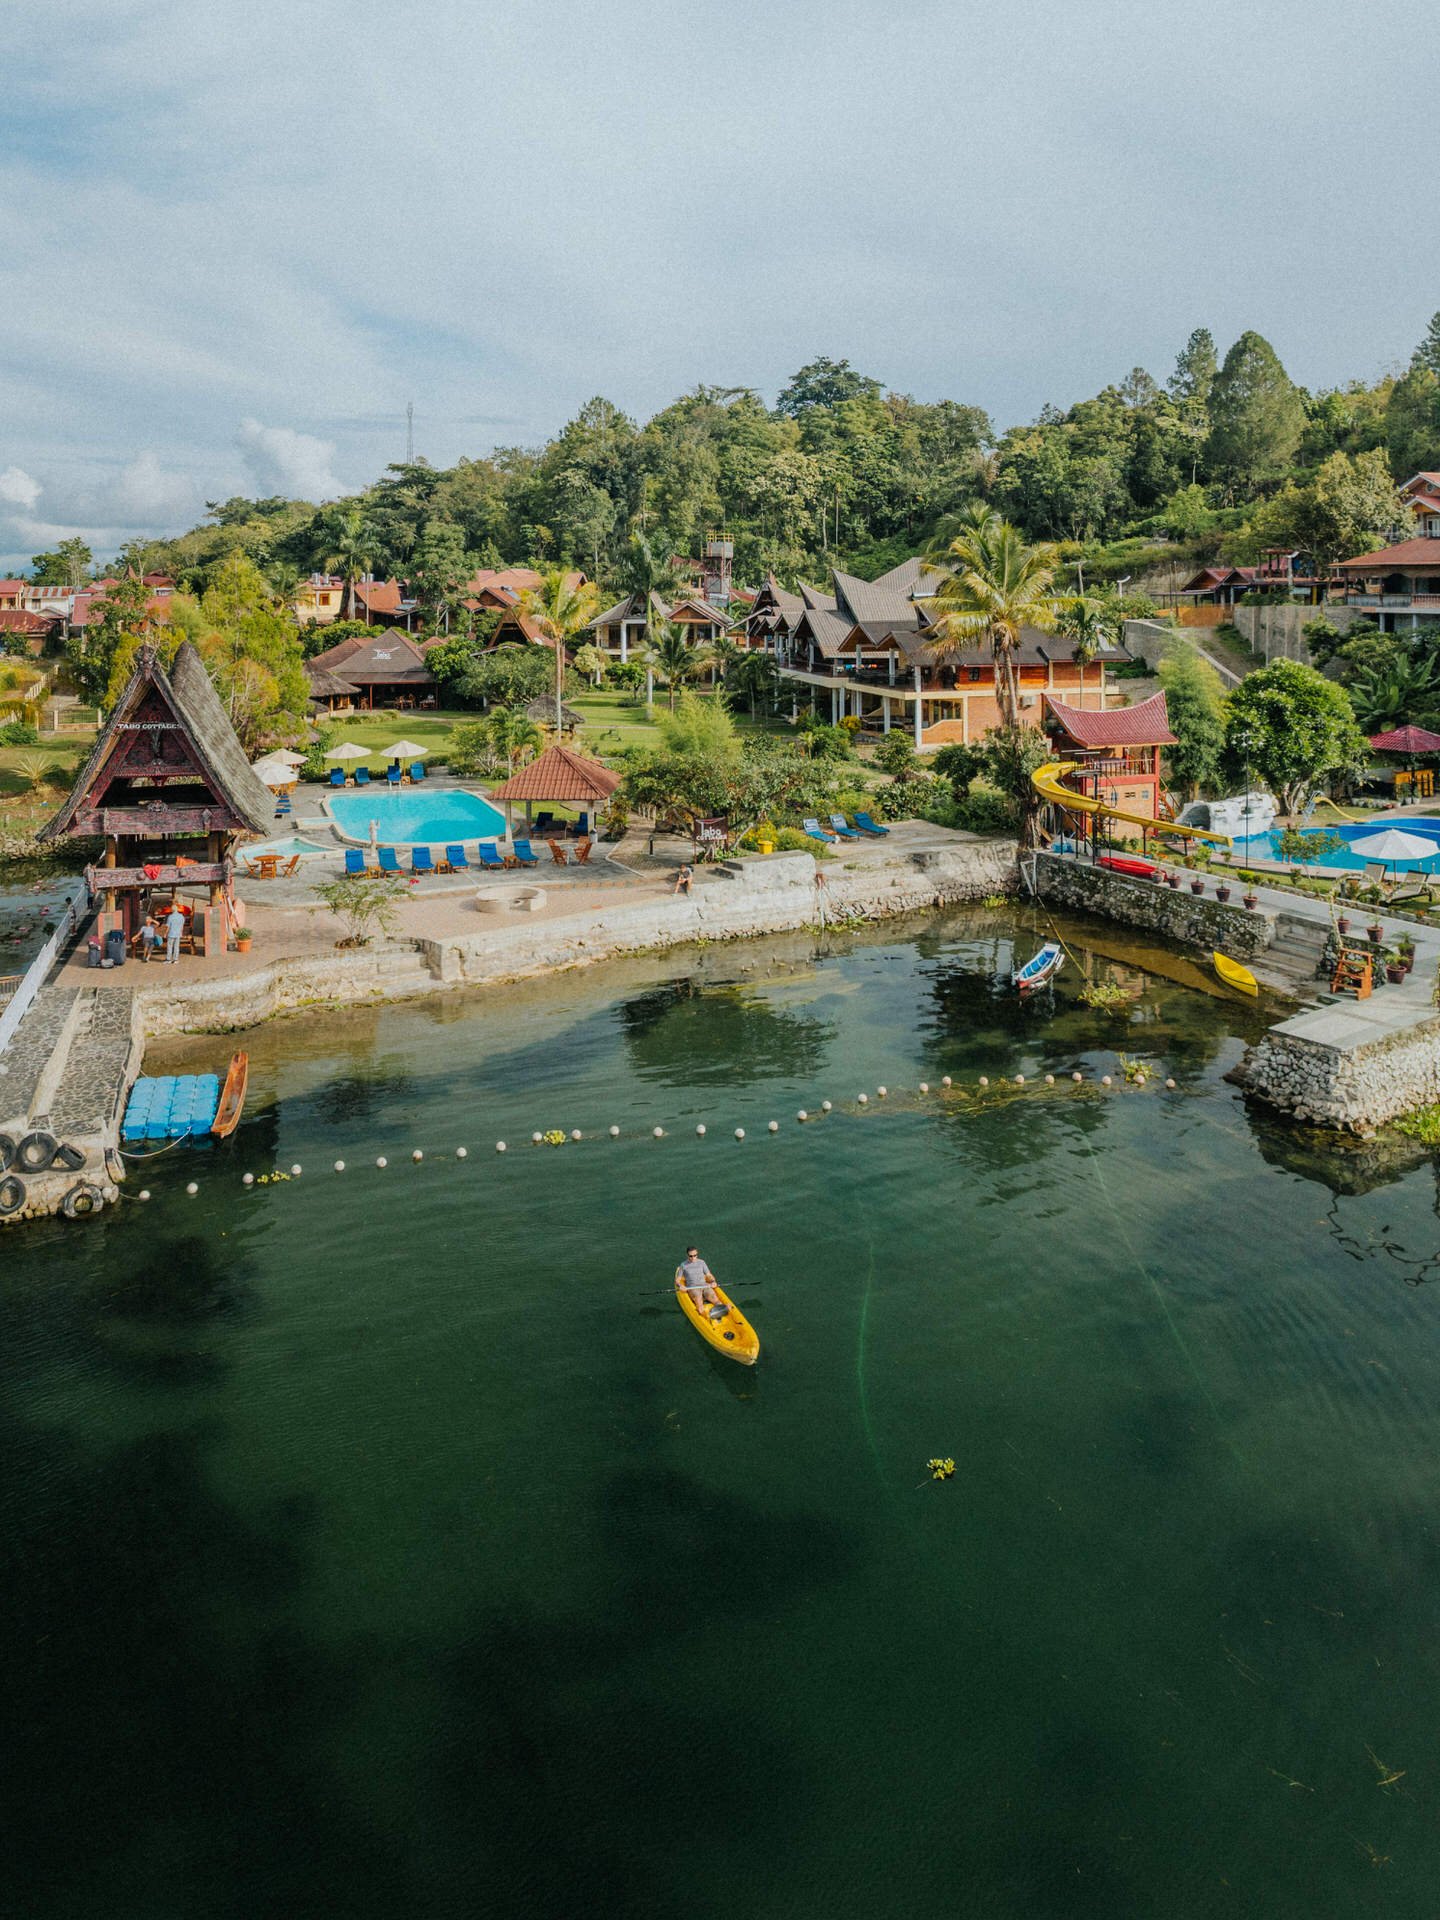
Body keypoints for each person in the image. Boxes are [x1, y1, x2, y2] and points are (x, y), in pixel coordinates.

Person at [677, 1246, 726, 1321]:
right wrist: (680, 1285)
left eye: (695, 1255)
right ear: (687, 1255)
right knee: (699, 1301)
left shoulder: (702, 1262)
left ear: (697, 1254)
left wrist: (713, 1281)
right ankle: (707, 1319)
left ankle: (722, 1315)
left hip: (705, 1285)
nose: (693, 1258)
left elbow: (709, 1275)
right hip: (693, 1287)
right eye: (691, 1256)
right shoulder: (683, 1265)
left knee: (715, 1299)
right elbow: (678, 1280)